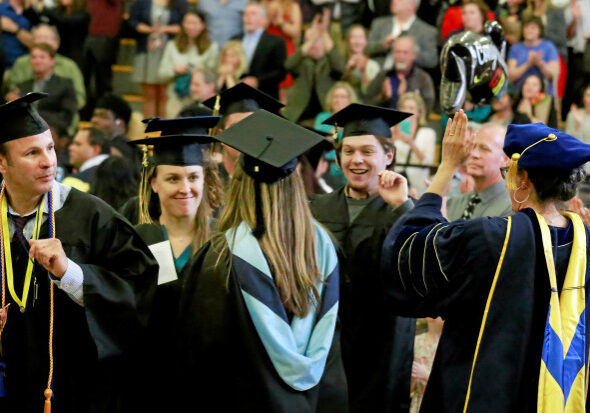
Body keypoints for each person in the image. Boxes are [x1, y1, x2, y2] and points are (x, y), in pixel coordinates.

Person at [380, 113, 590, 412]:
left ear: (524, 179)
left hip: (481, 395)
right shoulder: (586, 244)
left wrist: (447, 167)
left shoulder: (491, 238)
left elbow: (409, 253)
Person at [174, 109, 347, 412]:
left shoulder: (221, 260)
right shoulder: (323, 250)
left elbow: (201, 356)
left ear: (240, 183)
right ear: (295, 182)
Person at [0, 92, 157, 413]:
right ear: (2, 163)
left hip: (76, 385)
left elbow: (139, 288)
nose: (48, 161)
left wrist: (70, 273)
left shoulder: (91, 216)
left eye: (50, 148)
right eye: (32, 152)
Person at [312, 103, 415, 413]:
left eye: (368, 151)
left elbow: (422, 265)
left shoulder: (405, 210)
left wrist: (404, 207)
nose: (356, 160)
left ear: (389, 156)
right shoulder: (316, 209)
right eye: (348, 151)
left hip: (383, 346)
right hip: (328, 343)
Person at [129, 116, 222, 412]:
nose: (185, 188)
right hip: (149, 383)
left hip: (212, 384)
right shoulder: (137, 242)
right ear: (154, 183)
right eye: (173, 178)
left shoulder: (225, 241)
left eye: (193, 177)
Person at [202, 83, 284, 184]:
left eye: (252, 127)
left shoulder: (273, 184)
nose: (245, 135)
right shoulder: (209, 183)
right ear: (221, 136)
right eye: (236, 128)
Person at [6, 24, 86, 116]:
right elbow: (13, 91)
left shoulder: (69, 66)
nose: (43, 41)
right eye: (39, 37)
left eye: (47, 38)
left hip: (59, 118)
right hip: (26, 116)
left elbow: (79, 99)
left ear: (57, 43)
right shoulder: (21, 63)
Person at [129, 0, 189, 118]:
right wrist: (144, 28)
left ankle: (164, 131)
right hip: (147, 51)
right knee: (149, 94)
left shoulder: (180, 3)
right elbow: (132, 20)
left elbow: (185, 25)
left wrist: (165, 29)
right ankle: (149, 131)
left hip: (170, 51)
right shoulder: (142, 2)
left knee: (164, 94)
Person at [283, 16, 346, 124]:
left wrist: (324, 32)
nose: (313, 44)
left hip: (326, 117)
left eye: (317, 40)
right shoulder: (301, 62)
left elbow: (340, 67)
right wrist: (311, 39)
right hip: (299, 117)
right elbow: (288, 65)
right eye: (309, 40)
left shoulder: (330, 62)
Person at [158, 8, 219, 118]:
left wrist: (200, 71)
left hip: (200, 101)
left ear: (203, 25)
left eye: (195, 23)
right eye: (188, 22)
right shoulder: (172, 46)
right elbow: (161, 74)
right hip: (176, 99)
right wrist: (174, 70)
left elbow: (214, 76)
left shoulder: (211, 47)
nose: (190, 26)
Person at [446, 122, 512, 220]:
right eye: (472, 147)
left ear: (505, 159)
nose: (474, 154)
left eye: (484, 149)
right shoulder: (452, 203)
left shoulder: (512, 208)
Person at [8, 43, 78, 135]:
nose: (37, 61)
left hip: (54, 132)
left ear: (52, 61)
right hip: (25, 132)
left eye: (42, 57)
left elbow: (67, 118)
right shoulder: (22, 86)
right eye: (34, 57)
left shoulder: (65, 84)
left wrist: (34, 114)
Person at [366, 36, 436, 112]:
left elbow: (427, 109)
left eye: (405, 52)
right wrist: (383, 97)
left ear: (414, 56)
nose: (401, 56)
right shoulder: (383, 76)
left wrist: (405, 96)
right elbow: (368, 103)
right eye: (397, 52)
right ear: (393, 55)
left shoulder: (423, 79)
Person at [233, 1, 287, 100]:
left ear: (264, 20)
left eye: (253, 13)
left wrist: (257, 81)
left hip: (265, 96)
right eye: (246, 13)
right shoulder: (235, 39)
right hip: (237, 95)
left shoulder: (276, 42)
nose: (248, 17)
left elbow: (281, 72)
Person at [366, 0, 438, 70]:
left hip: (410, 77)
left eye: (400, 0)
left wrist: (409, 52)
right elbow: (366, 49)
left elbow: (432, 60)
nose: (394, 1)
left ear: (412, 5)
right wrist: (382, 45)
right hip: (378, 73)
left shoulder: (427, 31)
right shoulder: (379, 23)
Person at [392, 92, 436, 197]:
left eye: (411, 108)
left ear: (419, 112)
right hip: (395, 183)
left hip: (418, 185)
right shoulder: (393, 131)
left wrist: (411, 144)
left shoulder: (428, 133)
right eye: (404, 108)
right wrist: (392, 139)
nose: (407, 111)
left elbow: (428, 162)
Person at [507, 15, 560, 97]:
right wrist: (528, 64)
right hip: (519, 93)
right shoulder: (515, 48)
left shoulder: (548, 46)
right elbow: (510, 77)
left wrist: (540, 64)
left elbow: (554, 75)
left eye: (533, 28)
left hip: (544, 94)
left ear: (540, 30)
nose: (529, 30)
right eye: (526, 27)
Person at [410, 317, 443, 413]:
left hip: (437, 403)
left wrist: (426, 375)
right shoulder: (416, 341)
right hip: (417, 402)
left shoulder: (448, 347)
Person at [62, 127, 111, 191]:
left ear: (95, 149)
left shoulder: (73, 182)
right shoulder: (122, 173)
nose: (70, 148)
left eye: (77, 144)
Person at [342, 25, 380, 99]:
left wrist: (364, 70)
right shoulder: (341, 61)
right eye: (353, 37)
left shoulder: (373, 65)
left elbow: (368, 92)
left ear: (366, 41)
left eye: (360, 37)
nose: (357, 41)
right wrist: (347, 70)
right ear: (348, 40)